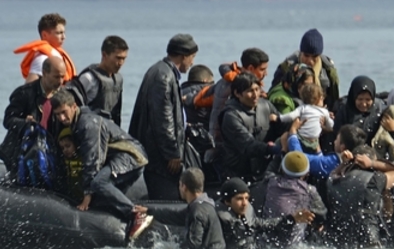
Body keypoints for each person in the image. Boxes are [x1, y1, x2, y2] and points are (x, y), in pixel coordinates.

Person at [48, 90, 152, 241]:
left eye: (64, 112)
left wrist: (87, 195)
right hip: (119, 158)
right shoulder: (77, 123)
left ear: (73, 106)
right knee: (103, 200)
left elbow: (93, 160)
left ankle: (136, 214)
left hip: (130, 156)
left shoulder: (88, 124)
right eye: (57, 115)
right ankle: (129, 225)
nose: (62, 118)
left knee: (99, 182)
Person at [130, 34, 198, 201]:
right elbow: (162, 118)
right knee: (167, 200)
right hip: (160, 158)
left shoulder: (162, 71)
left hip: (158, 153)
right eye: (192, 58)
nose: (192, 63)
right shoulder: (163, 76)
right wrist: (172, 153)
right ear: (183, 56)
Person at [0, 54, 66, 180]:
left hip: (50, 153)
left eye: (62, 77)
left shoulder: (63, 96)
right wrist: (25, 124)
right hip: (21, 153)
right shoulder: (25, 93)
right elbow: (8, 120)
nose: (60, 82)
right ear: (44, 73)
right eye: (56, 77)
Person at [326, 146, 394, 249]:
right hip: (369, 241)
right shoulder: (375, 180)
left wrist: (345, 163)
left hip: (339, 243)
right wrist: (373, 163)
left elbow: (334, 173)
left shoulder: (334, 181)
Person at [215, 73, 284, 182]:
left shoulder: (266, 105)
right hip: (238, 173)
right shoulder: (231, 116)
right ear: (237, 93)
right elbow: (248, 145)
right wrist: (272, 149)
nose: (255, 95)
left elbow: (282, 127)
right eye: (250, 91)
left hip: (264, 169)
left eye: (257, 89)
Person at [216, 177, 313, 249]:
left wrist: (292, 219)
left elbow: (264, 225)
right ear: (227, 202)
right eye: (239, 199)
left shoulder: (246, 211)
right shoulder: (219, 219)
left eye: (246, 198)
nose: (245, 203)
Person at [259, 151, 327, 248]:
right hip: (294, 246)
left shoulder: (270, 182)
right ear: (307, 173)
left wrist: (281, 151)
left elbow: (269, 170)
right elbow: (322, 215)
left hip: (266, 242)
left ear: (282, 168)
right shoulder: (309, 191)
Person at [271, 29, 341, 113]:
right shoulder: (286, 68)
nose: (310, 61)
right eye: (306, 55)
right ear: (301, 52)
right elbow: (275, 92)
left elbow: (334, 98)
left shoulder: (328, 70)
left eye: (314, 57)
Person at [207, 48, 271, 139]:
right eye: (262, 69)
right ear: (250, 68)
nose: (266, 74)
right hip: (225, 140)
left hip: (216, 136)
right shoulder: (237, 86)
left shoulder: (224, 81)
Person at [70, 35, 127, 125]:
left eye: (124, 58)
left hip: (111, 131)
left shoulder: (118, 79)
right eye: (118, 58)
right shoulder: (89, 78)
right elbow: (70, 107)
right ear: (104, 55)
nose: (121, 63)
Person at [14, 12, 76, 83]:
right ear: (44, 35)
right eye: (59, 33)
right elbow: (29, 87)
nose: (64, 37)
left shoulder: (56, 53)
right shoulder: (42, 58)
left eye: (64, 33)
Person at [178, 168, 224, 249]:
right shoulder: (206, 204)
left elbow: (194, 243)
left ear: (184, 187)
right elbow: (176, 215)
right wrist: (149, 210)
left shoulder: (197, 210)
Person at [278, 82, 332, 154]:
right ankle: (319, 156)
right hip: (313, 142)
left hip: (301, 139)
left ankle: (284, 151)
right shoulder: (324, 112)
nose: (323, 98)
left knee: (284, 136)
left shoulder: (303, 108)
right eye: (321, 97)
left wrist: (278, 118)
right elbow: (331, 125)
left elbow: (291, 116)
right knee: (317, 145)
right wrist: (325, 126)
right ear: (317, 99)